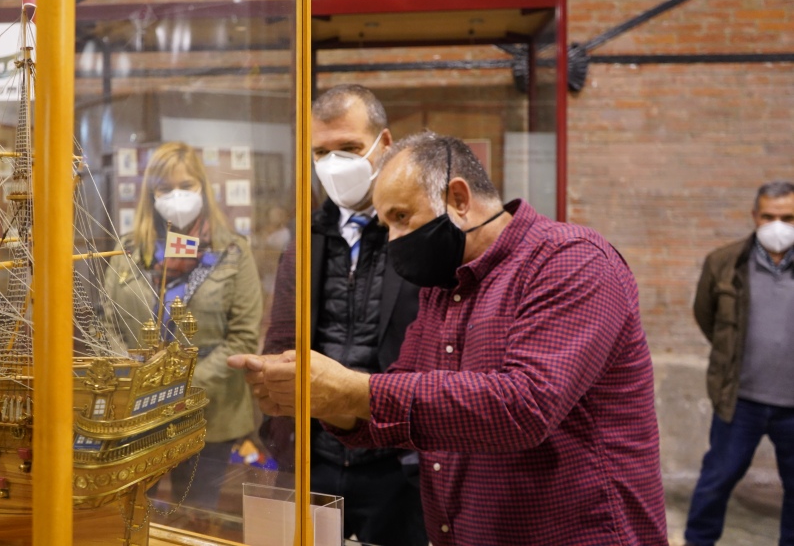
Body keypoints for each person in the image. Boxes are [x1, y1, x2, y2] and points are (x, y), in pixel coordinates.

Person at [230, 132, 668, 546]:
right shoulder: (443, 287)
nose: (396, 239)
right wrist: (324, 400)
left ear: (458, 198)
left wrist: (355, 391)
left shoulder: (570, 261)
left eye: (402, 218)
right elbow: (401, 396)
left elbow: (525, 405)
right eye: (387, 226)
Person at [260, 84, 426, 545]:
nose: (334, 164)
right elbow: (281, 338)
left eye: (349, 148)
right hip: (316, 459)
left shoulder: (419, 235)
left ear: (384, 144)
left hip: (397, 463)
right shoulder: (306, 238)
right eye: (321, 152)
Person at [103, 141, 262, 511]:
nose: (176, 196)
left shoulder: (233, 252)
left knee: (197, 514)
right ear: (151, 194)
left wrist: (173, 388)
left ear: (202, 188)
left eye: (186, 186)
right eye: (165, 188)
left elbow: (242, 338)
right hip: (135, 415)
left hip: (211, 413)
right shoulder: (127, 252)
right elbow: (105, 324)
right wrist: (138, 385)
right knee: (131, 516)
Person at [684, 180, 794, 546]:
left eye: (788, 217)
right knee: (717, 480)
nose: (778, 226)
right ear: (754, 216)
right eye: (769, 216)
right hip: (740, 400)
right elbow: (706, 316)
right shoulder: (724, 263)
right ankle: (698, 541)